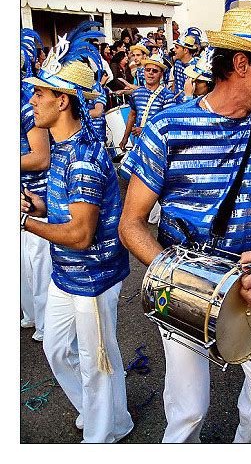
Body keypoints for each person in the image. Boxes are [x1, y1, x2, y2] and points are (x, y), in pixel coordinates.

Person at [118, 4, 251, 443]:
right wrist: (184, 279)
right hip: (181, 289)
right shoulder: (167, 127)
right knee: (188, 412)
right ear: (241, 64)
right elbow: (131, 224)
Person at [21, 22, 134, 443]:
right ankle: (100, 411)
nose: (32, 101)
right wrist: (34, 205)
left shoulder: (82, 156)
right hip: (66, 273)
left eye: (40, 94)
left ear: (62, 101)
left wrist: (23, 222)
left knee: (97, 360)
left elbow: (81, 234)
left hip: (93, 275)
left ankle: (106, 434)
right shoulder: (63, 147)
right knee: (55, 348)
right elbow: (65, 211)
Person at [20, 28, 52, 342]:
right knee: (21, 268)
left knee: (38, 262)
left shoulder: (26, 99)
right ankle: (32, 317)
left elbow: (41, 158)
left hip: (36, 194)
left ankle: (47, 327)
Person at [119, 53, 176, 151]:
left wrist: (145, 131)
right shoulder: (136, 93)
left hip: (157, 145)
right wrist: (125, 138)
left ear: (161, 74)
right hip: (139, 143)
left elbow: (169, 124)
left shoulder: (168, 95)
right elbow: (132, 116)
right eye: (147, 69)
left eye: (155, 71)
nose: (150, 73)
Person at [171, 34, 198, 103]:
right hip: (177, 105)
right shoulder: (177, 63)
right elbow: (175, 82)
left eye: (177, 47)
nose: (174, 50)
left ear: (185, 50)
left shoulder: (197, 66)